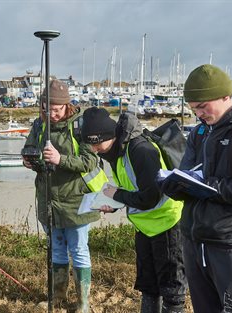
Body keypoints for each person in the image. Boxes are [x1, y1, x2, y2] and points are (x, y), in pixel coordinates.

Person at [161, 64, 232, 313]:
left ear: (226, 96)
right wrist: (174, 185)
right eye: (193, 109)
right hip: (194, 240)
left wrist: (205, 185)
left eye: (203, 106)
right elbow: (188, 173)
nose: (199, 114)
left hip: (231, 244)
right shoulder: (199, 132)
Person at [81, 107, 186, 313]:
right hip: (145, 226)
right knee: (148, 287)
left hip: (168, 224)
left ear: (109, 135)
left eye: (96, 143)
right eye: (90, 144)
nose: (94, 149)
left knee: (172, 292)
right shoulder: (116, 152)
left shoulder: (141, 151)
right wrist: (114, 205)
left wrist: (116, 195)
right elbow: (133, 190)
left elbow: (150, 197)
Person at [22, 79, 107, 312]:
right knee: (57, 248)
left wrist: (61, 159)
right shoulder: (39, 126)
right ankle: (57, 296)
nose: (51, 114)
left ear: (66, 106)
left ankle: (83, 303)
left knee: (78, 250)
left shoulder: (80, 127)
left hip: (77, 201)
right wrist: (30, 161)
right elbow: (29, 148)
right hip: (48, 199)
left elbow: (90, 162)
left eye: (56, 110)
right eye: (46, 109)